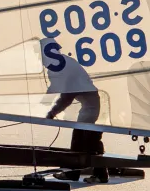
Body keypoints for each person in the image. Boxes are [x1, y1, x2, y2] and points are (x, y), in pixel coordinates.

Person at [40, 37, 108, 181]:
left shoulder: (64, 67)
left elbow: (66, 98)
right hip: (91, 105)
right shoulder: (66, 63)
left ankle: (78, 173)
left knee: (81, 141)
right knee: (88, 140)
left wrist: (52, 112)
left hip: (91, 107)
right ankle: (97, 173)